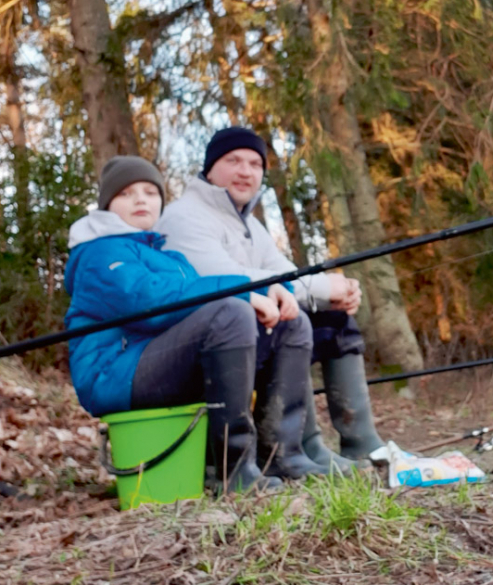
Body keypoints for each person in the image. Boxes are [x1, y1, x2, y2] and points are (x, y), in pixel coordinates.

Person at [64, 156, 322, 492]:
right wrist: (244, 294)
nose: (141, 200)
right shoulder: (99, 253)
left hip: (153, 360)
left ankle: (283, 455)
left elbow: (194, 293)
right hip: (115, 373)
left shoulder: (170, 257)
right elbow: (150, 301)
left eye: (150, 192)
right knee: (230, 314)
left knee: (290, 323)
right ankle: (234, 469)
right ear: (107, 205)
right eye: (126, 193)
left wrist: (267, 291)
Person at [155, 127, 388, 472]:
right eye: (233, 161)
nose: (245, 171)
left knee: (333, 320)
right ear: (209, 169)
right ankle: (292, 449)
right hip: (207, 343)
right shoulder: (184, 216)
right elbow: (225, 279)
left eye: (255, 164)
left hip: (249, 325)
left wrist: (333, 292)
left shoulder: (250, 225)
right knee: (291, 319)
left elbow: (285, 275)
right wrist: (323, 287)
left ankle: (359, 444)